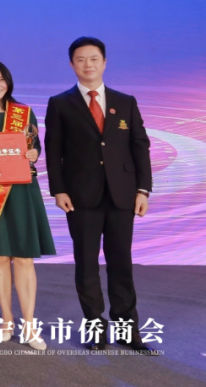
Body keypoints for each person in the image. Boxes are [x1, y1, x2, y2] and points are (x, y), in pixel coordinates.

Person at [44, 37, 155, 354]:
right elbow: (53, 150)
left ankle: (127, 330)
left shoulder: (126, 102)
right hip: (80, 197)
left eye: (94, 59)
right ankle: (95, 329)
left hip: (122, 196)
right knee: (86, 265)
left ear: (104, 62)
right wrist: (58, 190)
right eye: (81, 59)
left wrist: (143, 190)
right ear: (72, 65)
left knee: (122, 264)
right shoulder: (60, 103)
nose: (88, 64)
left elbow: (140, 147)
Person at [0, 60, 55, 351]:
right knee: (0, 257)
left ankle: (29, 325)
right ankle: (7, 319)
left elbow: (35, 145)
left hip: (23, 192)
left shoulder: (23, 112)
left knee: (25, 258)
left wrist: (33, 153)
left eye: (1, 79)